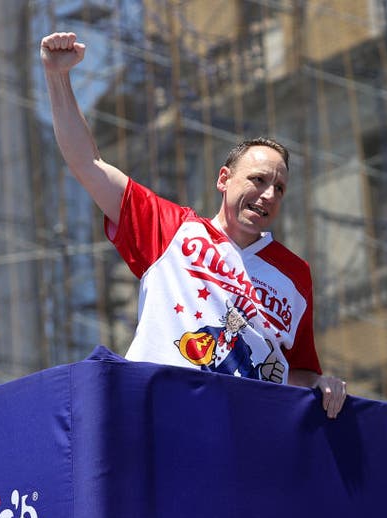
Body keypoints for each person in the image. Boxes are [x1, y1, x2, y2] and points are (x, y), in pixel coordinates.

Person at [40, 31, 347, 418]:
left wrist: (322, 383)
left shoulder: (295, 275)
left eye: (280, 187)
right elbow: (89, 164)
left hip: (243, 437)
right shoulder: (171, 229)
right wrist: (57, 77)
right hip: (161, 417)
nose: (268, 194)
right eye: (258, 180)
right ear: (224, 179)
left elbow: (299, 371)